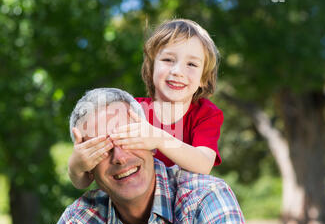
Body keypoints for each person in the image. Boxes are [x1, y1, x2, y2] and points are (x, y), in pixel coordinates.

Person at [40, 88, 262, 224]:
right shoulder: (77, 223)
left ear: (152, 142)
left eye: (129, 138)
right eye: (101, 149)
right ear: (87, 167)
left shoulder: (205, 198)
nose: (119, 157)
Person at [68, 19, 223, 190]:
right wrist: (76, 166)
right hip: (136, 201)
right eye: (168, 59)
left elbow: (203, 165)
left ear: (203, 78)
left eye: (192, 64)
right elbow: (85, 182)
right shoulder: (132, 110)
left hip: (186, 204)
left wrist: (159, 138)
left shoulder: (206, 114)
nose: (177, 71)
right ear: (151, 68)